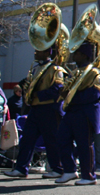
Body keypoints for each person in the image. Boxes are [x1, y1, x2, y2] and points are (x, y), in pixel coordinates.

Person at [5, 47, 65, 179]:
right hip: (35, 109)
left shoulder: (55, 70)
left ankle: (57, 168)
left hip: (49, 109)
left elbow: (58, 90)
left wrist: (36, 95)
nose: (35, 53)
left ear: (47, 52)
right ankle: (21, 168)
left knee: (51, 140)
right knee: (27, 139)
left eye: (39, 51)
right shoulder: (35, 68)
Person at [55, 41, 100, 185]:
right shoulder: (76, 72)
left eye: (76, 53)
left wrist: (70, 96)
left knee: (84, 144)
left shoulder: (94, 73)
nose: (73, 56)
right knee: (61, 138)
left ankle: (88, 176)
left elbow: (94, 94)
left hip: (84, 113)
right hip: (71, 112)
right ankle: (70, 170)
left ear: (83, 55)